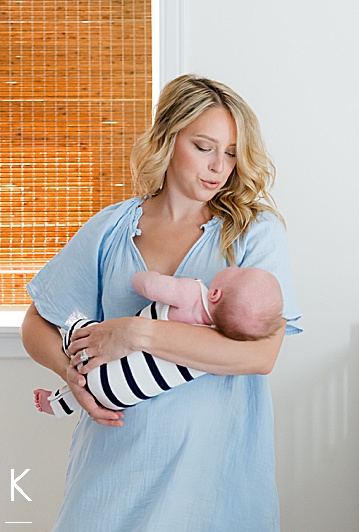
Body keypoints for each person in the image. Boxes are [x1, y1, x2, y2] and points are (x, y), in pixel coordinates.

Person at [20, 74, 302, 531]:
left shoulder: (254, 232)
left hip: (214, 473)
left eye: (231, 152)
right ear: (168, 139)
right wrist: (72, 376)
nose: (218, 167)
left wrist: (137, 332)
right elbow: (37, 323)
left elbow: (260, 355)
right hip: (114, 462)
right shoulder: (110, 229)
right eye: (204, 146)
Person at [34, 266, 285, 417]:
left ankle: (67, 356)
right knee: (97, 384)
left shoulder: (192, 293)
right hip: (120, 398)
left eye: (240, 271)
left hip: (100, 367)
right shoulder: (217, 350)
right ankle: (59, 402)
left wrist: (142, 278)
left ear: (216, 293)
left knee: (83, 329)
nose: (237, 266)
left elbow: (149, 284)